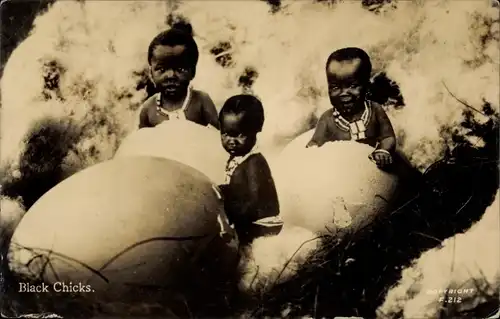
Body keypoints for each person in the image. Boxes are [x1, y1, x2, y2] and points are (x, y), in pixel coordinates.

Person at [306, 47, 395, 169]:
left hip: (372, 172)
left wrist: (383, 151)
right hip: (341, 173)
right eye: (335, 87)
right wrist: (311, 153)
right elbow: (315, 143)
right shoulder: (327, 119)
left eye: (352, 86)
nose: (343, 93)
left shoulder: (375, 110)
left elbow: (388, 137)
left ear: (367, 87)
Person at [217, 94, 283, 247]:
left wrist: (231, 212)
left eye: (240, 135)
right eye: (226, 134)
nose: (231, 141)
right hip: (248, 220)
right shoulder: (237, 158)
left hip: (261, 225)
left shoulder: (254, 162)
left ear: (256, 130)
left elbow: (255, 201)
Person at [138, 26, 219, 129]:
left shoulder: (201, 101)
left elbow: (218, 136)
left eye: (180, 69)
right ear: (151, 73)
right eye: (162, 70)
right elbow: (141, 141)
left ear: (193, 71)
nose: (171, 75)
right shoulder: (148, 109)